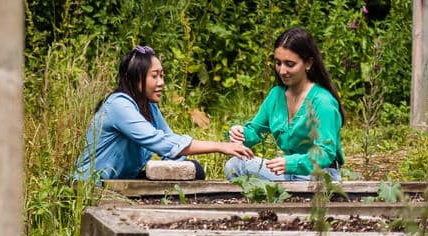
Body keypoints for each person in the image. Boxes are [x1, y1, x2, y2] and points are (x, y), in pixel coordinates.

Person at [74, 46, 253, 181]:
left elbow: (170, 142)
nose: (161, 82)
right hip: (94, 185)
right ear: (136, 78)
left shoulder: (147, 105)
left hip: (124, 181)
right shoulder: (119, 105)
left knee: (195, 170)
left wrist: (183, 165)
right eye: (155, 76)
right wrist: (220, 146)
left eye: (162, 75)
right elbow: (160, 142)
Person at [224, 27, 344, 181]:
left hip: (319, 174)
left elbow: (325, 153)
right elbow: (254, 132)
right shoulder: (276, 95)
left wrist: (291, 163)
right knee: (235, 166)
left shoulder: (323, 101)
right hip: (287, 172)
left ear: (308, 63)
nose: (282, 71)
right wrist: (239, 134)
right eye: (278, 63)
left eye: (290, 64)